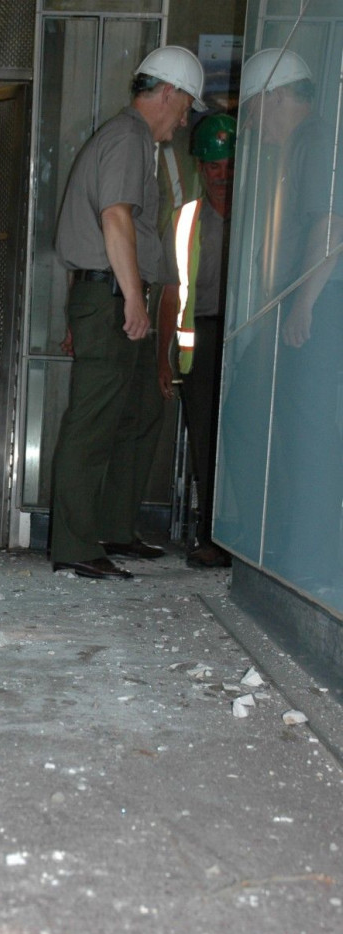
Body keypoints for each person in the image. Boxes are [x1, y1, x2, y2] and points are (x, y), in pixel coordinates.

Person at [50, 46, 206, 581]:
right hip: (115, 297)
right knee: (92, 423)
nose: (185, 117)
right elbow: (114, 219)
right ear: (167, 93)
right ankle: (72, 544)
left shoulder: (136, 141)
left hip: (111, 295)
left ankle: (113, 528)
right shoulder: (127, 138)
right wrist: (134, 298)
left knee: (137, 414)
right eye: (185, 104)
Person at [219, 49, 343, 586]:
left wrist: (302, 304)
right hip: (314, 303)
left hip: (321, 304)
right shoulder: (304, 145)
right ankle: (294, 551)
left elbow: (331, 228)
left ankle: (310, 562)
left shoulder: (316, 141)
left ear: (278, 96)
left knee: (311, 436)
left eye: (253, 108)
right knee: (294, 432)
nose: (253, 122)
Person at [157, 113, 236, 569]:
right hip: (203, 343)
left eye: (228, 165)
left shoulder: (263, 213)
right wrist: (163, 359)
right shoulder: (186, 220)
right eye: (213, 167)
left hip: (253, 338)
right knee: (206, 444)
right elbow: (171, 291)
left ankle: (254, 542)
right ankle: (212, 537)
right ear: (199, 169)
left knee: (251, 443)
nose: (222, 176)